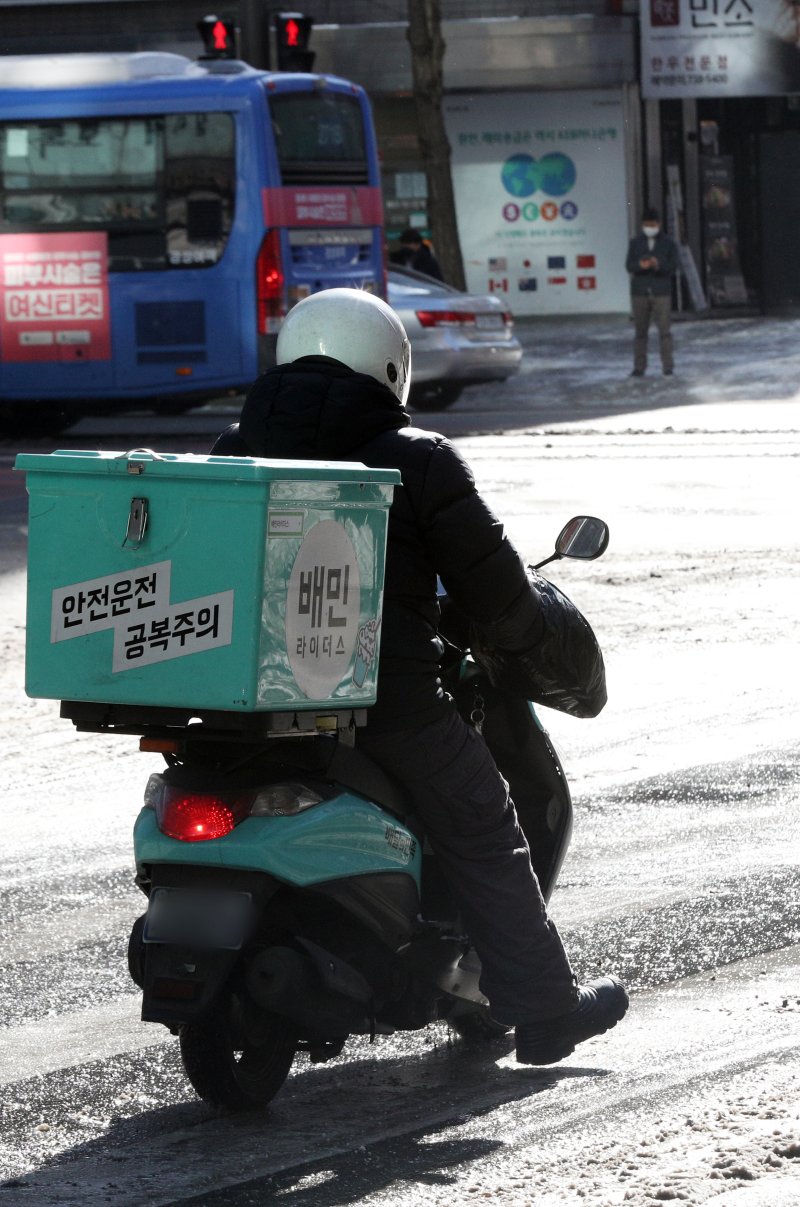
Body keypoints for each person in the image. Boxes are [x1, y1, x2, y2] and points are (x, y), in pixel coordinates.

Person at [211, 289, 628, 1065]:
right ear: (391, 367)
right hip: (387, 705)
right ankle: (541, 1013)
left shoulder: (234, 449)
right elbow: (500, 597)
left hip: (244, 705)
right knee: (483, 820)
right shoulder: (420, 459)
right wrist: (532, 633)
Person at [625, 207, 679, 377]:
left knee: (665, 331)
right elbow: (629, 265)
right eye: (647, 224)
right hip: (640, 292)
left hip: (661, 291)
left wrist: (658, 264)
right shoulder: (635, 243)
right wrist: (640, 266)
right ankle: (639, 367)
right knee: (640, 332)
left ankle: (668, 367)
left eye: (653, 224)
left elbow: (673, 266)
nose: (650, 227)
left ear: (659, 224)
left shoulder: (669, 243)